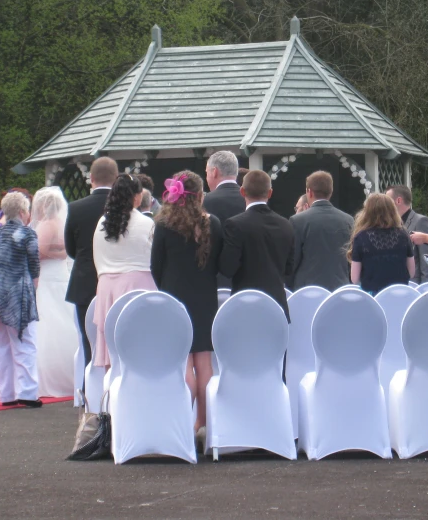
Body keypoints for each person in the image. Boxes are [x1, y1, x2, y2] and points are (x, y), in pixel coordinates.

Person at [151, 171, 223, 436]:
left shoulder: (164, 224)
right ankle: (202, 423)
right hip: (204, 297)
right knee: (204, 363)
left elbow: (155, 266)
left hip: (174, 297)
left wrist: (166, 289)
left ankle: (183, 423)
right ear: (200, 195)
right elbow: (218, 263)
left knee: (182, 362)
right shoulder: (212, 223)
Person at [0, 192, 42, 408]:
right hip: (16, 294)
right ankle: (28, 392)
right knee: (24, 342)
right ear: (23, 212)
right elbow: (34, 267)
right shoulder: (28, 233)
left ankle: (6, 394)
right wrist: (32, 292)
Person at [92, 173, 157, 367]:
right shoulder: (147, 223)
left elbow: (97, 258)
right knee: (142, 347)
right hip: (138, 285)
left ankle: (111, 392)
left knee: (110, 352)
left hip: (107, 288)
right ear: (137, 197)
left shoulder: (102, 223)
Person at [219, 170, 294, 320]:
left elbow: (227, 268)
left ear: (242, 191)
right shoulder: (286, 224)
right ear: (270, 192)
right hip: (276, 305)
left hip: (245, 306)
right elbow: (289, 268)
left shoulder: (235, 225)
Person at [65, 157, 118, 368]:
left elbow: (71, 249)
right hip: (115, 280)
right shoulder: (123, 209)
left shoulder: (76, 208)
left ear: (91, 178)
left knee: (89, 343)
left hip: (85, 280)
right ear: (116, 179)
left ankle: (90, 393)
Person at [31, 186, 78, 398]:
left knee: (48, 323)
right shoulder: (63, 223)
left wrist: (53, 253)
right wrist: (60, 253)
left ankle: (48, 377)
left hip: (49, 278)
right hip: (61, 276)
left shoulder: (47, 225)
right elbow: (67, 250)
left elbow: (38, 252)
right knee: (65, 320)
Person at [288, 171, 354, 291]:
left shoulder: (298, 221)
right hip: (340, 288)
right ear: (331, 191)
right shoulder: (348, 220)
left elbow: (292, 261)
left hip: (307, 291)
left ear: (309, 192)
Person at [348, 193, 415, 295]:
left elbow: (354, 278)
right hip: (400, 295)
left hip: (373, 296)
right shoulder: (403, 235)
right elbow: (411, 272)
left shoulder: (360, 237)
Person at [203, 151, 245, 288]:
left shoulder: (207, 200)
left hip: (215, 277)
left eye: (207, 172)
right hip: (246, 275)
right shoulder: (248, 199)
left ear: (214, 172)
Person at [386, 185, 428, 284]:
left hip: (414, 285)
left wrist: (425, 288)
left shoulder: (421, 221)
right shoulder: (392, 224)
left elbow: (427, 260)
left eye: (388, 201)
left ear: (399, 201)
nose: (385, 205)